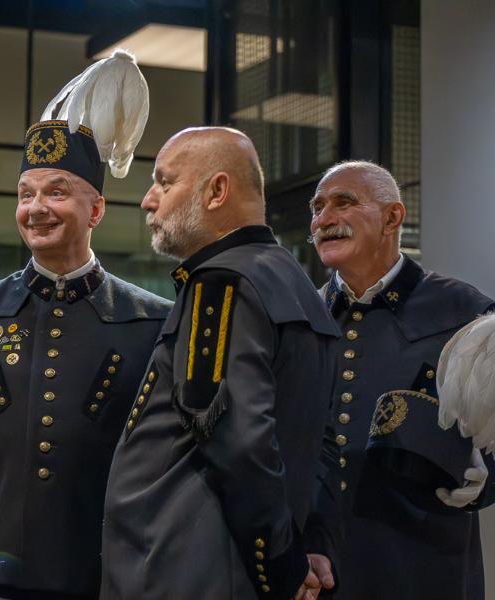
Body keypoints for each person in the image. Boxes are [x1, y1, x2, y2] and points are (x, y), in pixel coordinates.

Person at [0, 51, 172, 600]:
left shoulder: (151, 322)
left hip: (101, 579)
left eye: (56, 192)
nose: (36, 208)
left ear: (96, 210)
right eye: (26, 194)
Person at [101, 127, 343, 600]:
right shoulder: (292, 282)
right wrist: (304, 546)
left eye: (165, 182)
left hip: (185, 572)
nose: (149, 200)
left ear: (216, 191)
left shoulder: (222, 284)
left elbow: (241, 444)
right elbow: (320, 442)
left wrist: (280, 565)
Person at [309, 160, 495, 600]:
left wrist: (485, 477)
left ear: (392, 217)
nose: (324, 219)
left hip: (424, 563)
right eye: (317, 209)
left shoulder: (466, 312)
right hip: (321, 567)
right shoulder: (302, 316)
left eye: (343, 202)